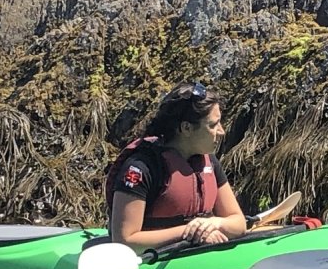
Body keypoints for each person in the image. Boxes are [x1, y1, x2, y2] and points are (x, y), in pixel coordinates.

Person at [106, 82, 247, 249]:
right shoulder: (142, 168)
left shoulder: (208, 162)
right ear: (186, 128)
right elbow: (124, 240)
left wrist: (216, 224)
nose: (221, 131)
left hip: (195, 254)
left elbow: (238, 222)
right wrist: (191, 232)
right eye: (213, 125)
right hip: (152, 261)